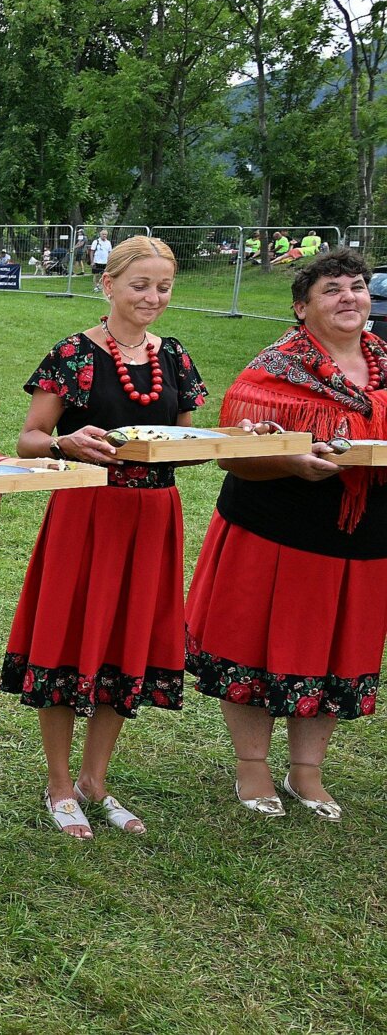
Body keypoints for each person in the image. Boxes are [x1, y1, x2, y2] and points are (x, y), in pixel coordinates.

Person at [0, 236, 208, 838]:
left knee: (125, 641)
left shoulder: (175, 357)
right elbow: (29, 440)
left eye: (163, 286)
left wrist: (230, 438)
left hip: (154, 517)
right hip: (87, 514)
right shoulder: (73, 354)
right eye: (140, 285)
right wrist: (63, 441)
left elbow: (189, 443)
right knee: (69, 639)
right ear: (108, 285)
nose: (153, 297)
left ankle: (95, 779)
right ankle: (59, 783)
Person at [187, 249, 387, 821]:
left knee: (334, 652)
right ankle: (252, 766)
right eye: (332, 289)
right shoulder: (274, 369)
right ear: (302, 307)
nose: (349, 296)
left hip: (363, 541)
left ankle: (307, 772)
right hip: (273, 533)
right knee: (254, 647)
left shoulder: (386, 364)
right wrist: (290, 462)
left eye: (357, 286)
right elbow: (233, 456)